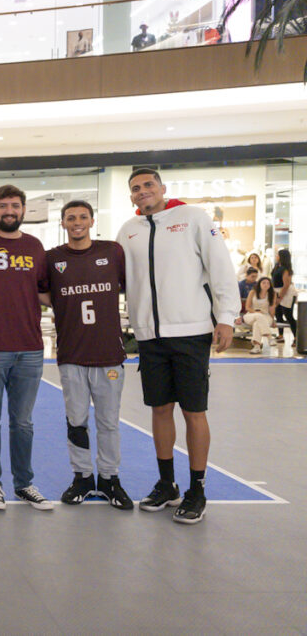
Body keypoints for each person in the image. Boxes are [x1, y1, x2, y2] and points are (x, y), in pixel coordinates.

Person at [118, 168, 240, 524]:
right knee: (159, 409)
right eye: (136, 188)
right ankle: (167, 484)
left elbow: (220, 267)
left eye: (148, 185)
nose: (143, 192)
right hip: (149, 336)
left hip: (191, 332)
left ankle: (197, 490)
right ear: (131, 196)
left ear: (162, 188)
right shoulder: (128, 231)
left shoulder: (192, 218)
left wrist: (227, 316)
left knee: (193, 412)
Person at [0, 184, 53, 511]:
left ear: (23, 209)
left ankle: (24, 483)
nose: (9, 211)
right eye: (3, 206)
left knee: (23, 422)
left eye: (15, 205)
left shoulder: (35, 246)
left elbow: (45, 293)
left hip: (29, 348)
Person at [42, 200, 133, 509]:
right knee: (76, 421)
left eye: (82, 217)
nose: (77, 222)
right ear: (63, 223)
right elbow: (41, 291)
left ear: (92, 221)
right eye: (71, 218)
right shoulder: (53, 259)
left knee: (108, 422)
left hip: (108, 354)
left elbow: (131, 284)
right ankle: (82, 477)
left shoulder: (111, 251)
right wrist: (61, 305)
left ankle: (109, 479)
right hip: (71, 354)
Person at [243, 277, 276, 355]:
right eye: (263, 283)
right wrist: (256, 312)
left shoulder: (272, 294)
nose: (266, 285)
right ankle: (269, 337)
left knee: (257, 324)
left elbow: (272, 308)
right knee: (258, 316)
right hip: (251, 315)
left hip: (266, 316)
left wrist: (273, 320)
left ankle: (257, 347)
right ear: (259, 284)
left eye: (268, 283)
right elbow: (247, 307)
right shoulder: (252, 292)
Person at [271, 249, 297, 345]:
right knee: (278, 315)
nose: (276, 256)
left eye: (277, 255)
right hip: (277, 291)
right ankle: (280, 335)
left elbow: (286, 285)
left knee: (288, 315)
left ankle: (296, 337)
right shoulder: (277, 266)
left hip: (286, 293)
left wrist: (279, 298)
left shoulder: (286, 269)